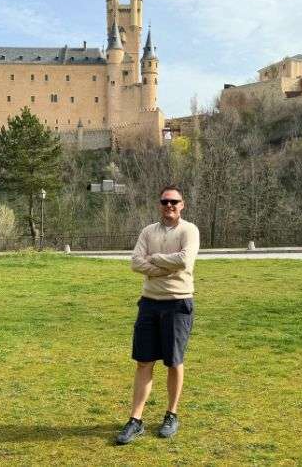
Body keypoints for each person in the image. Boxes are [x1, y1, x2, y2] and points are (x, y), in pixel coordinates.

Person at [115, 185, 200, 445]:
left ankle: (171, 415)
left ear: (182, 205)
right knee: (143, 362)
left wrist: (156, 260)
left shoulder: (190, 230)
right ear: (159, 204)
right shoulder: (148, 231)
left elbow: (184, 260)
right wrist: (165, 268)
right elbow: (135, 262)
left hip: (177, 303)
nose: (169, 206)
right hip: (149, 304)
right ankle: (135, 420)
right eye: (165, 201)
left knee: (174, 362)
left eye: (174, 201)